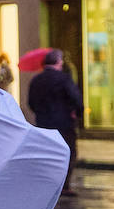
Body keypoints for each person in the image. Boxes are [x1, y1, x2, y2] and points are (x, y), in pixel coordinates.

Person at [27, 49, 82, 196]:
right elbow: (76, 99)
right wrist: (77, 113)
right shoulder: (64, 79)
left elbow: (31, 103)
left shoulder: (36, 80)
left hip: (44, 124)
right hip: (64, 124)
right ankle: (64, 185)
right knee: (68, 153)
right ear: (59, 62)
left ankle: (49, 184)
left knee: (47, 154)